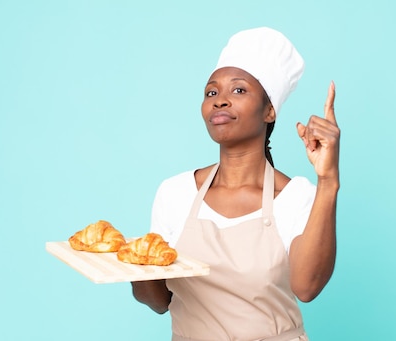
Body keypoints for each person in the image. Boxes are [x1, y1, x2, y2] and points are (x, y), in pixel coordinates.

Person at [131, 27, 340, 341]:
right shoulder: (175, 193)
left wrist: (328, 181)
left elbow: (307, 287)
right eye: (211, 92)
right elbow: (159, 301)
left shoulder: (296, 197)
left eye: (239, 90)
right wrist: (133, 267)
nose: (220, 101)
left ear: (270, 110)